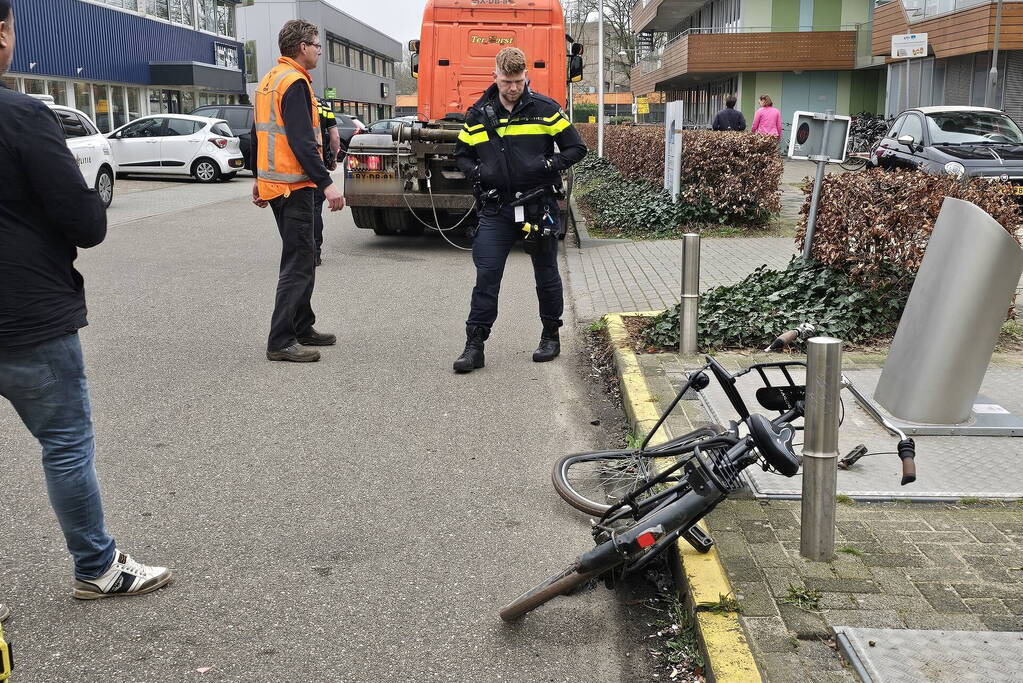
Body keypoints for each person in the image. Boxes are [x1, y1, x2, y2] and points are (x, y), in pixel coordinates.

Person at [0, 0, 171, 618]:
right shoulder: (23, 118)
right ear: (1, 34)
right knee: (65, 442)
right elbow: (85, 222)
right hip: (26, 313)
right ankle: (97, 567)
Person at [452, 47, 587, 374]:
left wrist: (548, 164)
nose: (513, 87)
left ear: (526, 77)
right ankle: (475, 345)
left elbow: (576, 147)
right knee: (486, 275)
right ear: (495, 77)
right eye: (507, 81)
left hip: (537, 206)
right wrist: (479, 174)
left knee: (546, 274)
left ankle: (550, 335)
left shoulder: (544, 109)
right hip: (497, 208)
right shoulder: (479, 113)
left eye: (518, 81)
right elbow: (462, 155)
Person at [250, 20, 344, 363]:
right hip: (295, 187)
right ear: (302, 47)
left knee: (300, 257)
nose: (319, 50)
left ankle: (303, 325)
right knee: (299, 262)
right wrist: (328, 184)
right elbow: (303, 142)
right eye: (317, 44)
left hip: (278, 186)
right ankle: (281, 340)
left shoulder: (270, 81)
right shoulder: (294, 83)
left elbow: (257, 134)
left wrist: (258, 179)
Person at [312, 97, 341, 267]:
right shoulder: (322, 104)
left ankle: (299, 252)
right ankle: (315, 253)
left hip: (291, 166)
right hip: (318, 162)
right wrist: (333, 159)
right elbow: (335, 137)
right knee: (315, 208)